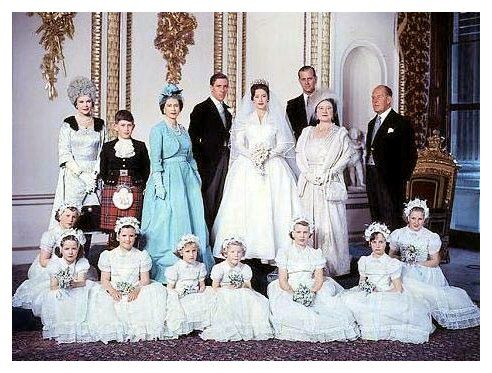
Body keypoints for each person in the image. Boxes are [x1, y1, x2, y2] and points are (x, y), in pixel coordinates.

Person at [212, 79, 301, 264]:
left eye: (264, 96)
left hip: (273, 165)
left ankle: (273, 251)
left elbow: (284, 142)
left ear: (268, 99)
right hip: (247, 165)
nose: (260, 100)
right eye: (257, 97)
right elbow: (237, 143)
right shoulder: (245, 119)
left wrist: (268, 154)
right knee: (247, 206)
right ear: (252, 99)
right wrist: (252, 155)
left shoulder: (276, 118)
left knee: (274, 205)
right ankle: (245, 249)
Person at [140, 83, 215, 284]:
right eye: (169, 106)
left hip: (187, 178)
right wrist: (159, 185)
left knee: (193, 216)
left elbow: (190, 157)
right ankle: (169, 266)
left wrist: (196, 177)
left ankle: (192, 262)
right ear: (163, 108)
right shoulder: (158, 130)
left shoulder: (183, 130)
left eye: (176, 105)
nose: (173, 109)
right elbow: (155, 161)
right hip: (168, 178)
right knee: (168, 218)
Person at [388, 198, 480, 329]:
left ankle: (421, 312)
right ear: (407, 217)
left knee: (420, 289)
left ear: (424, 219)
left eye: (420, 219)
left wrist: (417, 263)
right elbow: (391, 255)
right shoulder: (398, 234)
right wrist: (402, 260)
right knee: (399, 282)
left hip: (424, 268)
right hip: (403, 267)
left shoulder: (430, 236)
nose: (416, 222)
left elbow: (435, 261)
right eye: (413, 218)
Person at [340, 222, 435, 344]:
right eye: (374, 242)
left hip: (387, 291)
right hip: (368, 292)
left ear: (386, 243)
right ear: (369, 243)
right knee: (350, 303)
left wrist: (380, 292)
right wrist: (367, 288)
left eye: (381, 242)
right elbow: (362, 282)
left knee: (387, 309)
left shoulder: (391, 263)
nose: (378, 245)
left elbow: (398, 289)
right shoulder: (364, 261)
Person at [267, 218, 359, 342]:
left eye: (305, 232)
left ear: (310, 234)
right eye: (298, 232)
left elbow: (318, 279)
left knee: (328, 308)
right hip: (290, 287)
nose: (302, 236)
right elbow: (283, 280)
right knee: (289, 311)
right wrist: (294, 294)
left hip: (311, 286)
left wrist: (311, 292)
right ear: (292, 233)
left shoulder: (316, 253)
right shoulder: (284, 253)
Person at [296, 91, 355, 276]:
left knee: (330, 223)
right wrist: (307, 173)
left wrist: (329, 172)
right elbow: (299, 154)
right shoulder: (307, 131)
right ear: (315, 111)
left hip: (329, 182)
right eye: (321, 108)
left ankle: (332, 265)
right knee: (309, 222)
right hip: (309, 182)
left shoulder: (340, 133)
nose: (325, 111)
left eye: (329, 108)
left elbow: (347, 157)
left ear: (334, 111)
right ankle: (308, 264)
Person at [87, 217, 172, 343]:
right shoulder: (108, 255)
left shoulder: (141, 255)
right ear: (117, 237)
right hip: (115, 289)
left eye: (131, 236)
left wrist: (136, 290)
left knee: (151, 294)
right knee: (102, 298)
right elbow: (104, 279)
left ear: (135, 237)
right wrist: (112, 290)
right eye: (124, 235)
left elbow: (145, 280)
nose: (128, 239)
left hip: (136, 288)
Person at [48, 76, 106, 256]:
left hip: (94, 177)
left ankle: (84, 260)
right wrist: (82, 174)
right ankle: (66, 258)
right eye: (81, 101)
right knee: (71, 217)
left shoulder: (100, 124)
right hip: (73, 176)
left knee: (88, 219)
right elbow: (64, 153)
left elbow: (103, 151)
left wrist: (94, 174)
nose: (86, 105)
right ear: (75, 102)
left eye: (88, 101)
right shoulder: (68, 124)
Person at [12, 202, 86, 315]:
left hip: (74, 265)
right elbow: (43, 261)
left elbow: (80, 256)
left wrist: (75, 268)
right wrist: (62, 268)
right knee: (51, 291)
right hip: (53, 266)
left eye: (74, 216)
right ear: (59, 216)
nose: (70, 219)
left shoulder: (78, 234)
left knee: (81, 288)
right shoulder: (50, 234)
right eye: (67, 216)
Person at [200, 237, 273, 342]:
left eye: (239, 252)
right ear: (225, 253)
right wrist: (226, 288)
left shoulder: (245, 268)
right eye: (232, 252)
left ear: (242, 254)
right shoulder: (220, 268)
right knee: (228, 299)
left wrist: (241, 285)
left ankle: (248, 327)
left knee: (253, 300)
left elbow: (248, 286)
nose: (236, 254)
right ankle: (230, 328)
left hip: (241, 290)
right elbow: (215, 286)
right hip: (224, 291)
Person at [365, 85, 417, 230]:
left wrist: (400, 179)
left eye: (379, 97)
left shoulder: (401, 122)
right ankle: (379, 250)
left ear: (389, 99)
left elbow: (410, 155)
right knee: (376, 214)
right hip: (372, 176)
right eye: (373, 97)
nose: (375, 100)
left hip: (391, 180)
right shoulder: (371, 124)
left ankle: (392, 251)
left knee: (391, 215)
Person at [99, 109, 150, 247]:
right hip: (113, 187)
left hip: (134, 186)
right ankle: (112, 253)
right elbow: (102, 169)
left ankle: (132, 253)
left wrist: (140, 185)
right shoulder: (108, 147)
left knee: (131, 223)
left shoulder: (140, 146)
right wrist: (111, 184)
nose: (126, 129)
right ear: (115, 126)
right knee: (114, 226)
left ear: (133, 126)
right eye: (122, 125)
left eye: (129, 125)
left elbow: (146, 169)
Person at [188, 73, 233, 229]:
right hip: (208, 164)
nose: (222, 90)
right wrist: (200, 163)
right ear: (211, 88)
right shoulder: (201, 109)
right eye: (218, 86)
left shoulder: (228, 111)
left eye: (225, 86)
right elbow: (192, 139)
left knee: (223, 199)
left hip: (226, 160)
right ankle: (206, 238)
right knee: (208, 200)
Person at [40, 231, 94, 343]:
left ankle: (79, 325)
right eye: (67, 249)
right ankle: (63, 327)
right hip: (61, 290)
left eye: (74, 249)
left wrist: (73, 284)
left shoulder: (81, 262)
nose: (70, 252)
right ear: (61, 249)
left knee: (89, 293)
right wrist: (63, 285)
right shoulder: (55, 264)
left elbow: (82, 282)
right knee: (56, 295)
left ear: (78, 249)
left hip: (77, 289)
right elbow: (53, 286)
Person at [165, 234, 216, 336]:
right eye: (187, 252)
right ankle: (183, 326)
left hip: (195, 292)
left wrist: (199, 291)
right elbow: (170, 287)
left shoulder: (200, 266)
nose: (191, 254)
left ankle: (199, 325)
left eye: (194, 251)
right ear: (181, 253)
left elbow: (202, 285)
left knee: (207, 296)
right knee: (181, 304)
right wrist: (177, 293)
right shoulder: (176, 268)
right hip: (180, 293)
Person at [286, 65, 318, 140]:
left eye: (309, 78)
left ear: (315, 79)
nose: (306, 82)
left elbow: (335, 129)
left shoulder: (327, 101)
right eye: (303, 79)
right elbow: (288, 132)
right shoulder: (291, 105)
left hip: (322, 149)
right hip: (299, 149)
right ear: (299, 81)